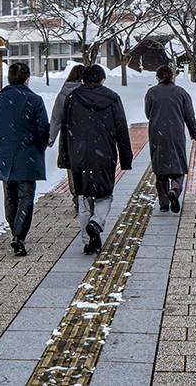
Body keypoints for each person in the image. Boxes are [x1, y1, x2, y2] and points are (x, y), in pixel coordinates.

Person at [59, 64, 132, 255]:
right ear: (102, 79)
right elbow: (121, 129)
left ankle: (87, 242)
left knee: (84, 198)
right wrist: (126, 158)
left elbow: (65, 130)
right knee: (105, 195)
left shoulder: (72, 98)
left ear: (83, 80)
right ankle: (97, 221)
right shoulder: (112, 98)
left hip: (79, 155)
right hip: (104, 153)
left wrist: (64, 158)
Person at [0, 60, 49, 256]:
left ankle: (14, 230)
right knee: (26, 197)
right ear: (27, 79)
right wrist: (39, 147)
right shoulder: (35, 100)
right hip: (28, 155)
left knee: (10, 196)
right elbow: (43, 129)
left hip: (6, 154)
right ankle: (19, 235)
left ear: (8, 79)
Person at [144, 64, 196, 213]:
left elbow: (148, 114)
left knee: (160, 170)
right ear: (173, 77)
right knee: (178, 167)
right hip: (176, 133)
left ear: (157, 78)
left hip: (157, 135)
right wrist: (193, 131)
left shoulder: (151, 92)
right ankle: (174, 190)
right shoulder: (181, 92)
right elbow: (189, 115)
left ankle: (164, 203)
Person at [49, 64, 85, 213]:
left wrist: (50, 138)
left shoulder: (63, 93)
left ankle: (76, 197)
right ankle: (87, 196)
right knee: (86, 166)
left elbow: (56, 118)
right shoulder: (87, 92)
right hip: (86, 135)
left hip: (68, 136)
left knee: (71, 168)